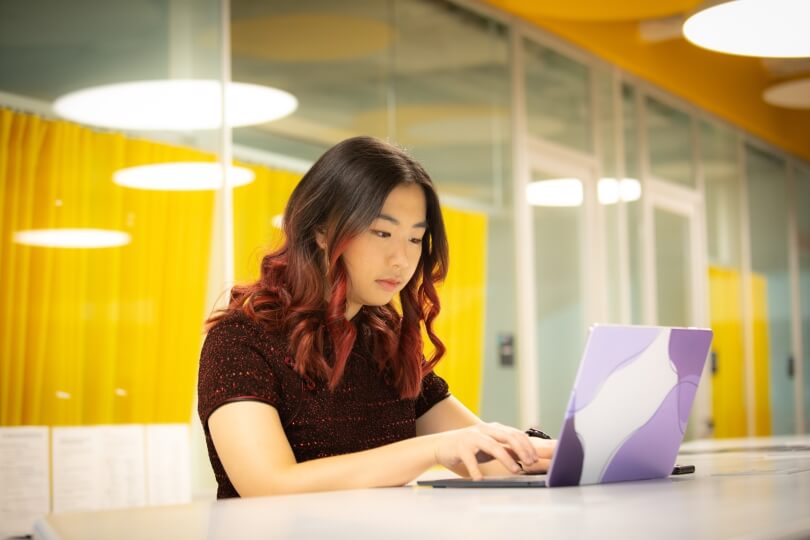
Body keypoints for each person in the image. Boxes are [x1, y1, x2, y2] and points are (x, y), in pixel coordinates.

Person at [197, 136, 555, 498]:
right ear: (321, 230)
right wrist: (431, 449)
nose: (401, 259)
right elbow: (269, 483)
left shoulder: (384, 337)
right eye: (382, 233)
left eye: (415, 239)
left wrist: (575, 450)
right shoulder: (240, 340)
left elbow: (484, 454)